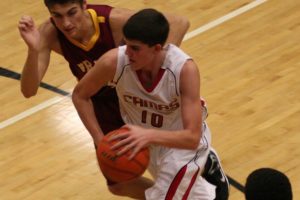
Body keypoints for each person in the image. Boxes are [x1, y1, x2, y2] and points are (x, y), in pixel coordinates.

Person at [72, 8, 229, 199]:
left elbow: (192, 137)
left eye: (135, 48)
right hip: (148, 144)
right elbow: (80, 95)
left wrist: (147, 135)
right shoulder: (114, 61)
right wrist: (100, 139)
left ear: (156, 48)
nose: (128, 53)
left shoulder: (184, 70)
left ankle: (204, 161)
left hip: (183, 146)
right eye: (126, 44)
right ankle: (210, 176)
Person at [18, 0, 189, 137]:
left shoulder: (113, 20)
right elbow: (28, 90)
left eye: (72, 12)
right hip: (102, 104)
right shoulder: (50, 33)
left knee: (170, 163)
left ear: (84, 4)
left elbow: (178, 22)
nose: (66, 23)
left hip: (135, 97)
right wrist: (33, 51)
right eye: (57, 16)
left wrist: (155, 70)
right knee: (121, 179)